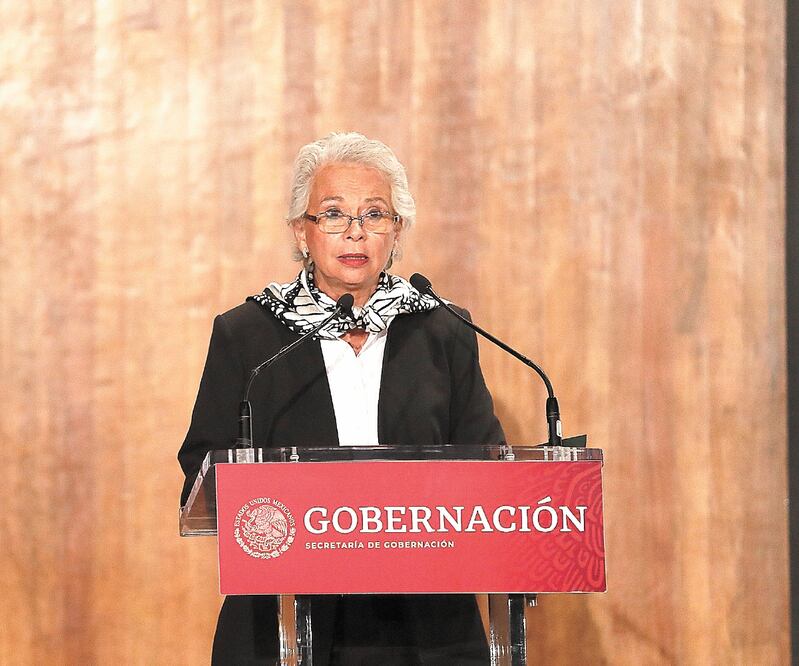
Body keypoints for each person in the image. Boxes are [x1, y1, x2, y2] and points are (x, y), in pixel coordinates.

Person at [178, 132, 505, 665]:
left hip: (427, 618)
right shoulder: (251, 335)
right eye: (333, 214)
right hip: (288, 613)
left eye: (375, 214)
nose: (356, 232)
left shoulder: (441, 328)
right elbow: (204, 460)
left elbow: (486, 459)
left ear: (396, 232)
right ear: (301, 233)